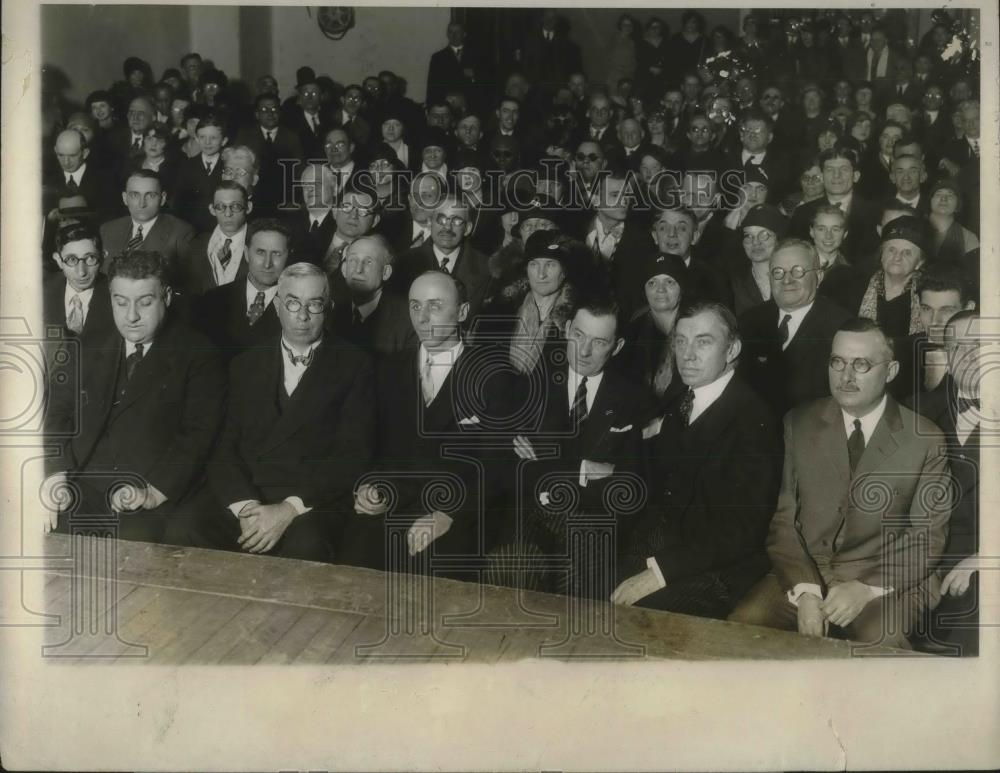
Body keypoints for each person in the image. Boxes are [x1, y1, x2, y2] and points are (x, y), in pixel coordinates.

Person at [730, 318, 952, 650]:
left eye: (861, 364)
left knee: (882, 643)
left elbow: (928, 538)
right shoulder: (798, 423)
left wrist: (864, 589)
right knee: (740, 627)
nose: (846, 376)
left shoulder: (926, 439)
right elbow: (782, 519)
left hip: (887, 578)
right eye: (838, 362)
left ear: (890, 371)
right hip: (807, 571)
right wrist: (805, 590)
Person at [192, 263, 375, 562]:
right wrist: (244, 508)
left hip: (310, 503)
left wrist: (288, 509)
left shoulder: (355, 364)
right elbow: (222, 446)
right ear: (277, 306)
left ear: (328, 308)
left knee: (306, 548)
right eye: (292, 303)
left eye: (313, 304)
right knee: (187, 528)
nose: (302, 315)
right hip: (249, 495)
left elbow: (352, 454)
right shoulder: (243, 364)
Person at [41, 249, 226, 544]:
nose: (131, 316)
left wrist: (153, 491)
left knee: (133, 546)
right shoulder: (87, 345)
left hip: (146, 490)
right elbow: (57, 414)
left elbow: (198, 435)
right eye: (121, 302)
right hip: (82, 481)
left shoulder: (198, 354)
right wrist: (53, 474)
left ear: (165, 297)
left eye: (145, 302)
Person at [612, 302, 781, 619]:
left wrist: (658, 572)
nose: (687, 354)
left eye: (703, 342)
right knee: (586, 586)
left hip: (721, 567)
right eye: (680, 341)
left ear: (732, 350)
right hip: (666, 545)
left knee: (637, 617)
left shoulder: (755, 418)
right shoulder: (680, 398)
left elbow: (742, 531)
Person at [350, 270, 514, 571]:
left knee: (432, 569)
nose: (422, 317)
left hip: (462, 512)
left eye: (435, 305)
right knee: (355, 561)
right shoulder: (387, 369)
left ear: (462, 311)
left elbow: (498, 465)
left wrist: (447, 514)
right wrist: (370, 488)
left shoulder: (495, 376)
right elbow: (368, 445)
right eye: (415, 305)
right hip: (395, 502)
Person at [490, 294, 648, 596]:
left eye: (599, 342)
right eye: (578, 335)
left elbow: (631, 485)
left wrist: (542, 465)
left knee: (582, 576)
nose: (585, 351)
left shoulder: (635, 401)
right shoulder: (526, 388)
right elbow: (505, 471)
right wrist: (585, 469)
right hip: (530, 512)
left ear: (617, 346)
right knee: (509, 564)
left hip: (593, 521)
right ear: (566, 331)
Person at [906, 311, 982, 655]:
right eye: (958, 345)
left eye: (979, 344)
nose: (968, 354)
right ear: (946, 354)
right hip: (920, 562)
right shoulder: (914, 414)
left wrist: (987, 557)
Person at [738, 238, 852, 418]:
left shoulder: (842, 327)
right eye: (778, 272)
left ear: (818, 277)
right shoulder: (749, 321)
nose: (787, 280)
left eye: (798, 271)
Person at [189, 218, 288, 362]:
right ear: (247, 254)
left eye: (277, 254)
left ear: (288, 256)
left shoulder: (297, 306)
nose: (267, 264)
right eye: (260, 252)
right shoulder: (212, 299)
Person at [394, 194, 492, 317]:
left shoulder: (487, 269)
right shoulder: (404, 264)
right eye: (441, 219)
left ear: (467, 228)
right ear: (430, 223)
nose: (447, 227)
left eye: (456, 221)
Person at [614, 252, 689, 410]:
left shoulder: (696, 328)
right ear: (644, 290)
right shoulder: (631, 331)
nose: (660, 289)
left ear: (682, 289)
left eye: (669, 282)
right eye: (652, 283)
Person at [331, 234, 416, 357]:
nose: (358, 269)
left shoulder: (407, 321)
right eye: (353, 260)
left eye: (369, 262)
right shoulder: (328, 310)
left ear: (385, 272)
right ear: (344, 269)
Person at [99, 170, 194, 279]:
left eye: (150, 195)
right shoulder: (108, 229)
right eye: (135, 195)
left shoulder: (181, 232)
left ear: (162, 199)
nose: (142, 203)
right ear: (125, 198)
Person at [789, 146, 879, 261]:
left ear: (856, 176)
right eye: (830, 170)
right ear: (822, 176)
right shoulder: (803, 214)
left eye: (844, 169)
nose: (836, 175)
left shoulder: (875, 213)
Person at [857, 215, 929, 341]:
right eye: (891, 250)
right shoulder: (857, 287)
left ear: (919, 262)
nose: (897, 257)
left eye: (907, 253)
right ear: (881, 255)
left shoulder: (927, 294)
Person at [234, 92, 304, 217]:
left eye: (274, 109)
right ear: (257, 114)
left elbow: (298, 172)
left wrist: (293, 199)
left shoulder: (291, 136)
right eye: (264, 110)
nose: (270, 114)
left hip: (283, 199)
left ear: (280, 112)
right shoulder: (245, 136)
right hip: (253, 199)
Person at [43, 223, 115, 340]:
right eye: (71, 259)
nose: (81, 272)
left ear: (102, 257)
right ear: (58, 260)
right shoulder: (41, 291)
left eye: (90, 258)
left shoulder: (117, 294)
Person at [180, 180, 251, 296]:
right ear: (212, 210)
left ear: (248, 207)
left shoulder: (259, 243)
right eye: (220, 207)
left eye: (236, 206)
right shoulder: (197, 245)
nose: (228, 213)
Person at [44, 128, 119, 225]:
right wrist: (50, 217)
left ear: (85, 153)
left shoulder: (106, 180)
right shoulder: (46, 180)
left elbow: (112, 221)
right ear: (55, 151)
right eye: (61, 155)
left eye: (72, 156)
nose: (66, 162)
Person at [727, 204, 787, 316]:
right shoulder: (733, 283)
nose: (755, 242)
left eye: (764, 235)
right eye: (748, 236)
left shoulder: (791, 277)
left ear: (778, 238)